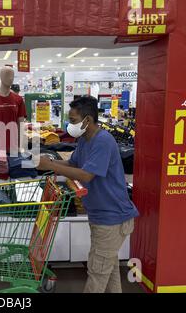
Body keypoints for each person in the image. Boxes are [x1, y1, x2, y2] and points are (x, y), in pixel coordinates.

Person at [37, 95, 139, 293]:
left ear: (88, 120)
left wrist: (49, 165)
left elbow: (87, 175)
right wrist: (48, 162)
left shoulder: (103, 141)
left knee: (97, 271)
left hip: (112, 217)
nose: (70, 125)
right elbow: (73, 163)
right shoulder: (85, 139)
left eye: (73, 120)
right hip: (101, 214)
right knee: (107, 269)